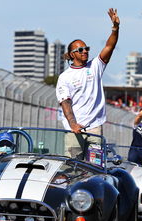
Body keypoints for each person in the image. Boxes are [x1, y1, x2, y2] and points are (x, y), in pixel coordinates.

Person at [55, 8, 119, 157]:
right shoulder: (65, 77)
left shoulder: (95, 66)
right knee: (72, 168)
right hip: (74, 130)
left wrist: (115, 28)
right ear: (72, 55)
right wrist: (73, 124)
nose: (85, 51)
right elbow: (65, 102)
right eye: (81, 49)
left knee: (94, 169)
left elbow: (110, 46)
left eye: (87, 48)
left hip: (94, 128)